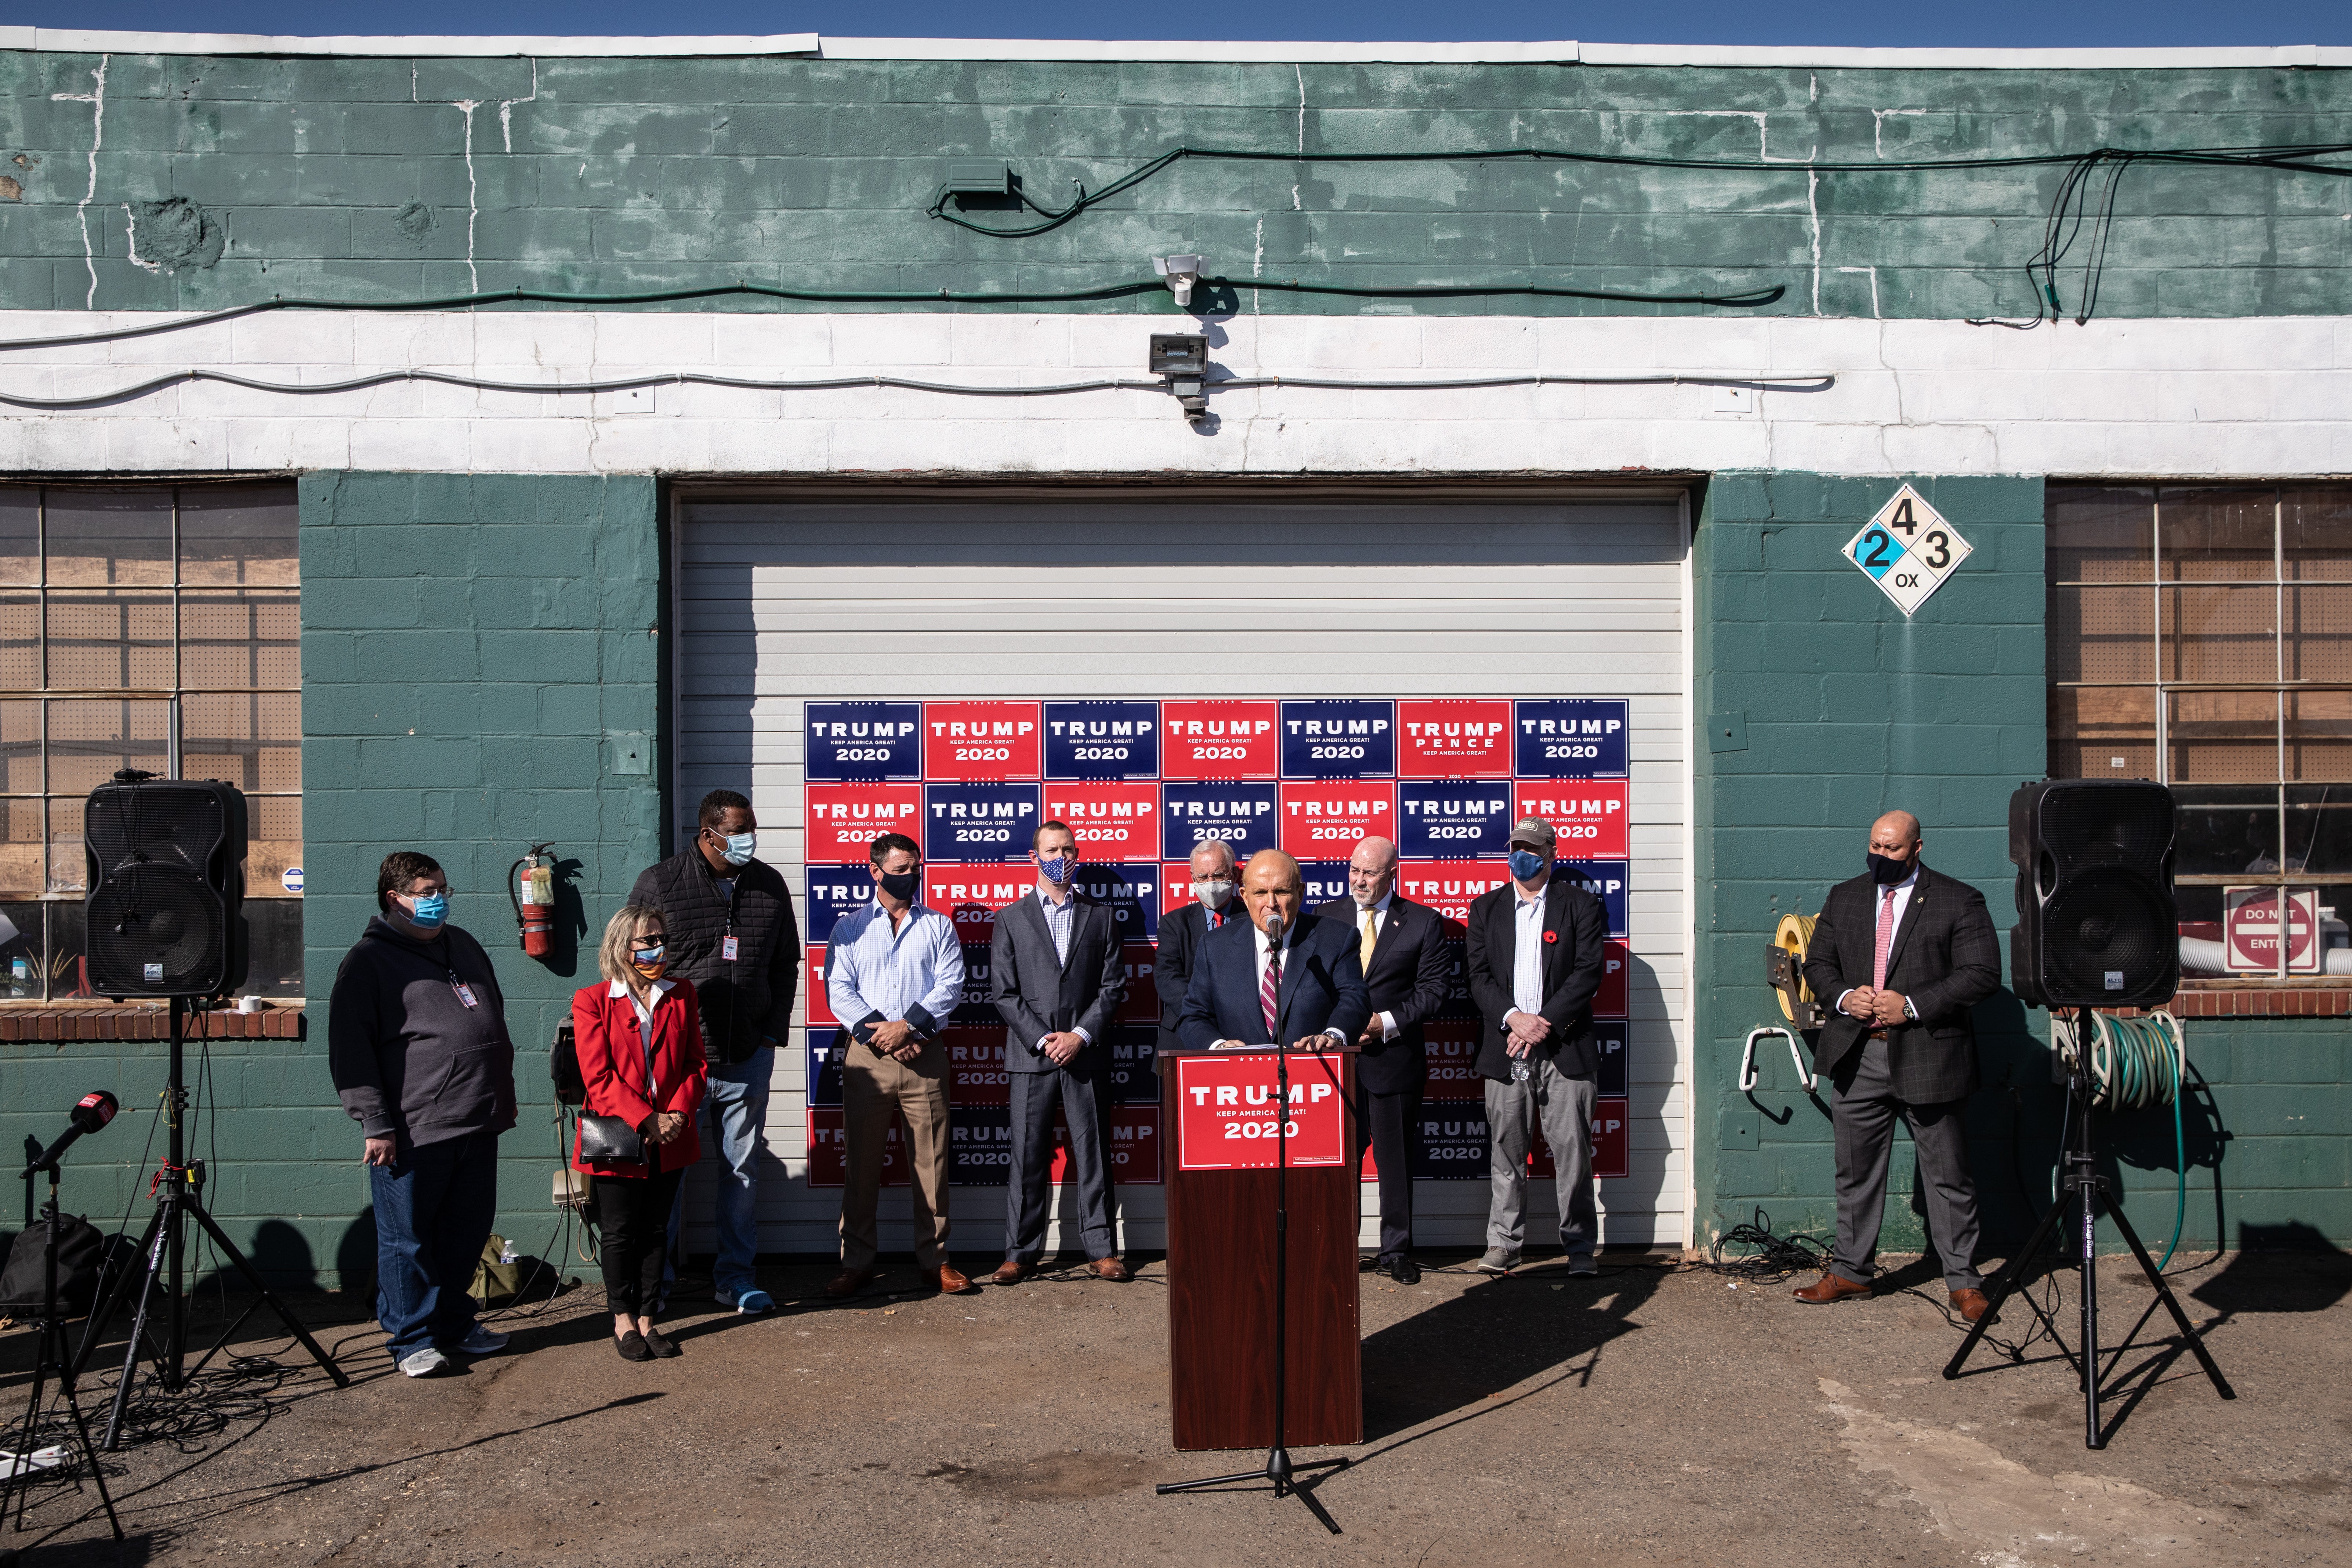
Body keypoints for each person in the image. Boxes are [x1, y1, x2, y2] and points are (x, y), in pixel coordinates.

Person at [1795, 810, 2001, 1322]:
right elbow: (1817, 964)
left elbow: (1981, 973)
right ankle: (1850, 1271)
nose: (1879, 856)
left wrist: (1909, 1005)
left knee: (1946, 1174)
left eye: (1891, 848)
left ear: (1916, 848)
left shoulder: (1958, 899)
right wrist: (1844, 996)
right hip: (1857, 1054)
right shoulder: (1844, 896)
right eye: (1873, 846)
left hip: (1929, 1053)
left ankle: (1963, 1281)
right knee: (1855, 1171)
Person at [328, 851, 518, 1378]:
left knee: (465, 1232)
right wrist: (375, 1122)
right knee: (407, 1238)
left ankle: (455, 1322)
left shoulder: (463, 945)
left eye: (442, 890)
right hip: (412, 1129)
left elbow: (491, 1021)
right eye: (427, 890)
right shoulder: (367, 962)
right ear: (396, 898)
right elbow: (352, 1050)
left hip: (477, 1120)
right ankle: (411, 1337)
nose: (438, 899)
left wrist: (501, 1092)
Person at [630, 787, 800, 1317]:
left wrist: (772, 1032)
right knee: (667, 1179)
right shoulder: (660, 883)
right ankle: (654, 1285)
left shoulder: (768, 884)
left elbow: (785, 963)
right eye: (739, 832)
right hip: (680, 1060)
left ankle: (735, 1278)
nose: (749, 841)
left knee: (741, 1171)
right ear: (708, 834)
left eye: (753, 830)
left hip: (747, 1053)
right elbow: (633, 963)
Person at [824, 832, 974, 1299]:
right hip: (868, 1060)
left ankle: (936, 1260)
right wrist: (884, 1034)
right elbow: (839, 991)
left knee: (931, 1163)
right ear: (876, 870)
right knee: (862, 1166)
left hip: (923, 1056)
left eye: (915, 867)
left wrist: (907, 1028)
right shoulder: (848, 928)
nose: (911, 875)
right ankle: (857, 1263)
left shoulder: (938, 926)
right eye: (902, 868)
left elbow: (950, 985)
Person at [1464, 817, 1608, 1277]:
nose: (1520, 855)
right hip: (1506, 1048)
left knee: (1573, 1153)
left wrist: (1541, 1022)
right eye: (1514, 846)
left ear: (1551, 853)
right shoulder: (1485, 908)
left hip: (1565, 1047)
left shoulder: (1580, 905)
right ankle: (1504, 1243)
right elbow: (1478, 977)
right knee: (1505, 1153)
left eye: (1530, 847)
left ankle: (1580, 1246)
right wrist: (1514, 1019)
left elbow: (1587, 972)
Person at [988, 821, 1130, 1284]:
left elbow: (1112, 987)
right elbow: (1004, 993)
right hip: (1032, 1056)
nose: (1061, 856)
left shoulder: (1101, 916)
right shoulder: (1010, 918)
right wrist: (1045, 1038)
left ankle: (1101, 1248)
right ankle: (1020, 1252)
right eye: (1051, 849)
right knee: (1028, 1156)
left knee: (1092, 1153)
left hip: (1084, 1054)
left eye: (1068, 849)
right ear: (1034, 857)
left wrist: (1079, 1035)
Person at [1313, 836, 1452, 1285]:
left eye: (1370, 872)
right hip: (1335, 1063)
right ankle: (1337, 1249)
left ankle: (1396, 1250)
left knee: (1395, 1163)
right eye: (1354, 869)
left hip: (1394, 1058)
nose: (1359, 879)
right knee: (1337, 1163)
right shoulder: (1324, 918)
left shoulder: (1424, 922)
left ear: (1393, 873)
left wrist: (1384, 1022)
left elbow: (1433, 991)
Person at [572, 905, 709, 1360]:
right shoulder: (592, 1000)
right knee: (618, 1230)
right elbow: (598, 1076)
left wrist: (675, 1113)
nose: (657, 946)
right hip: (619, 1133)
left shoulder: (681, 993)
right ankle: (622, 1320)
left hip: (669, 1134)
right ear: (620, 946)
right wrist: (645, 1117)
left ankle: (649, 1317)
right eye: (646, 939)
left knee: (656, 1229)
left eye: (660, 937)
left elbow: (695, 1063)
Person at [1177, 848, 1370, 1051]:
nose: (1271, 904)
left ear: (1300, 892)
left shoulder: (1337, 938)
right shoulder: (1215, 946)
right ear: (1244, 896)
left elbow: (1354, 1000)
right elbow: (1194, 1017)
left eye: (1281, 892)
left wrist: (1332, 1036)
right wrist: (1220, 1047)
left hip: (1314, 1073)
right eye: (1260, 893)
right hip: (1239, 1077)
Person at [1154, 840, 1241, 1058]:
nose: (1210, 883)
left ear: (1235, 875)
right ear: (1193, 878)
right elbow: (1167, 978)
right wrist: (1203, 1016)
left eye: (1219, 875)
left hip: (1245, 1035)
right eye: (1203, 877)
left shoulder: (1254, 918)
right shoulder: (1173, 924)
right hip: (1186, 1037)